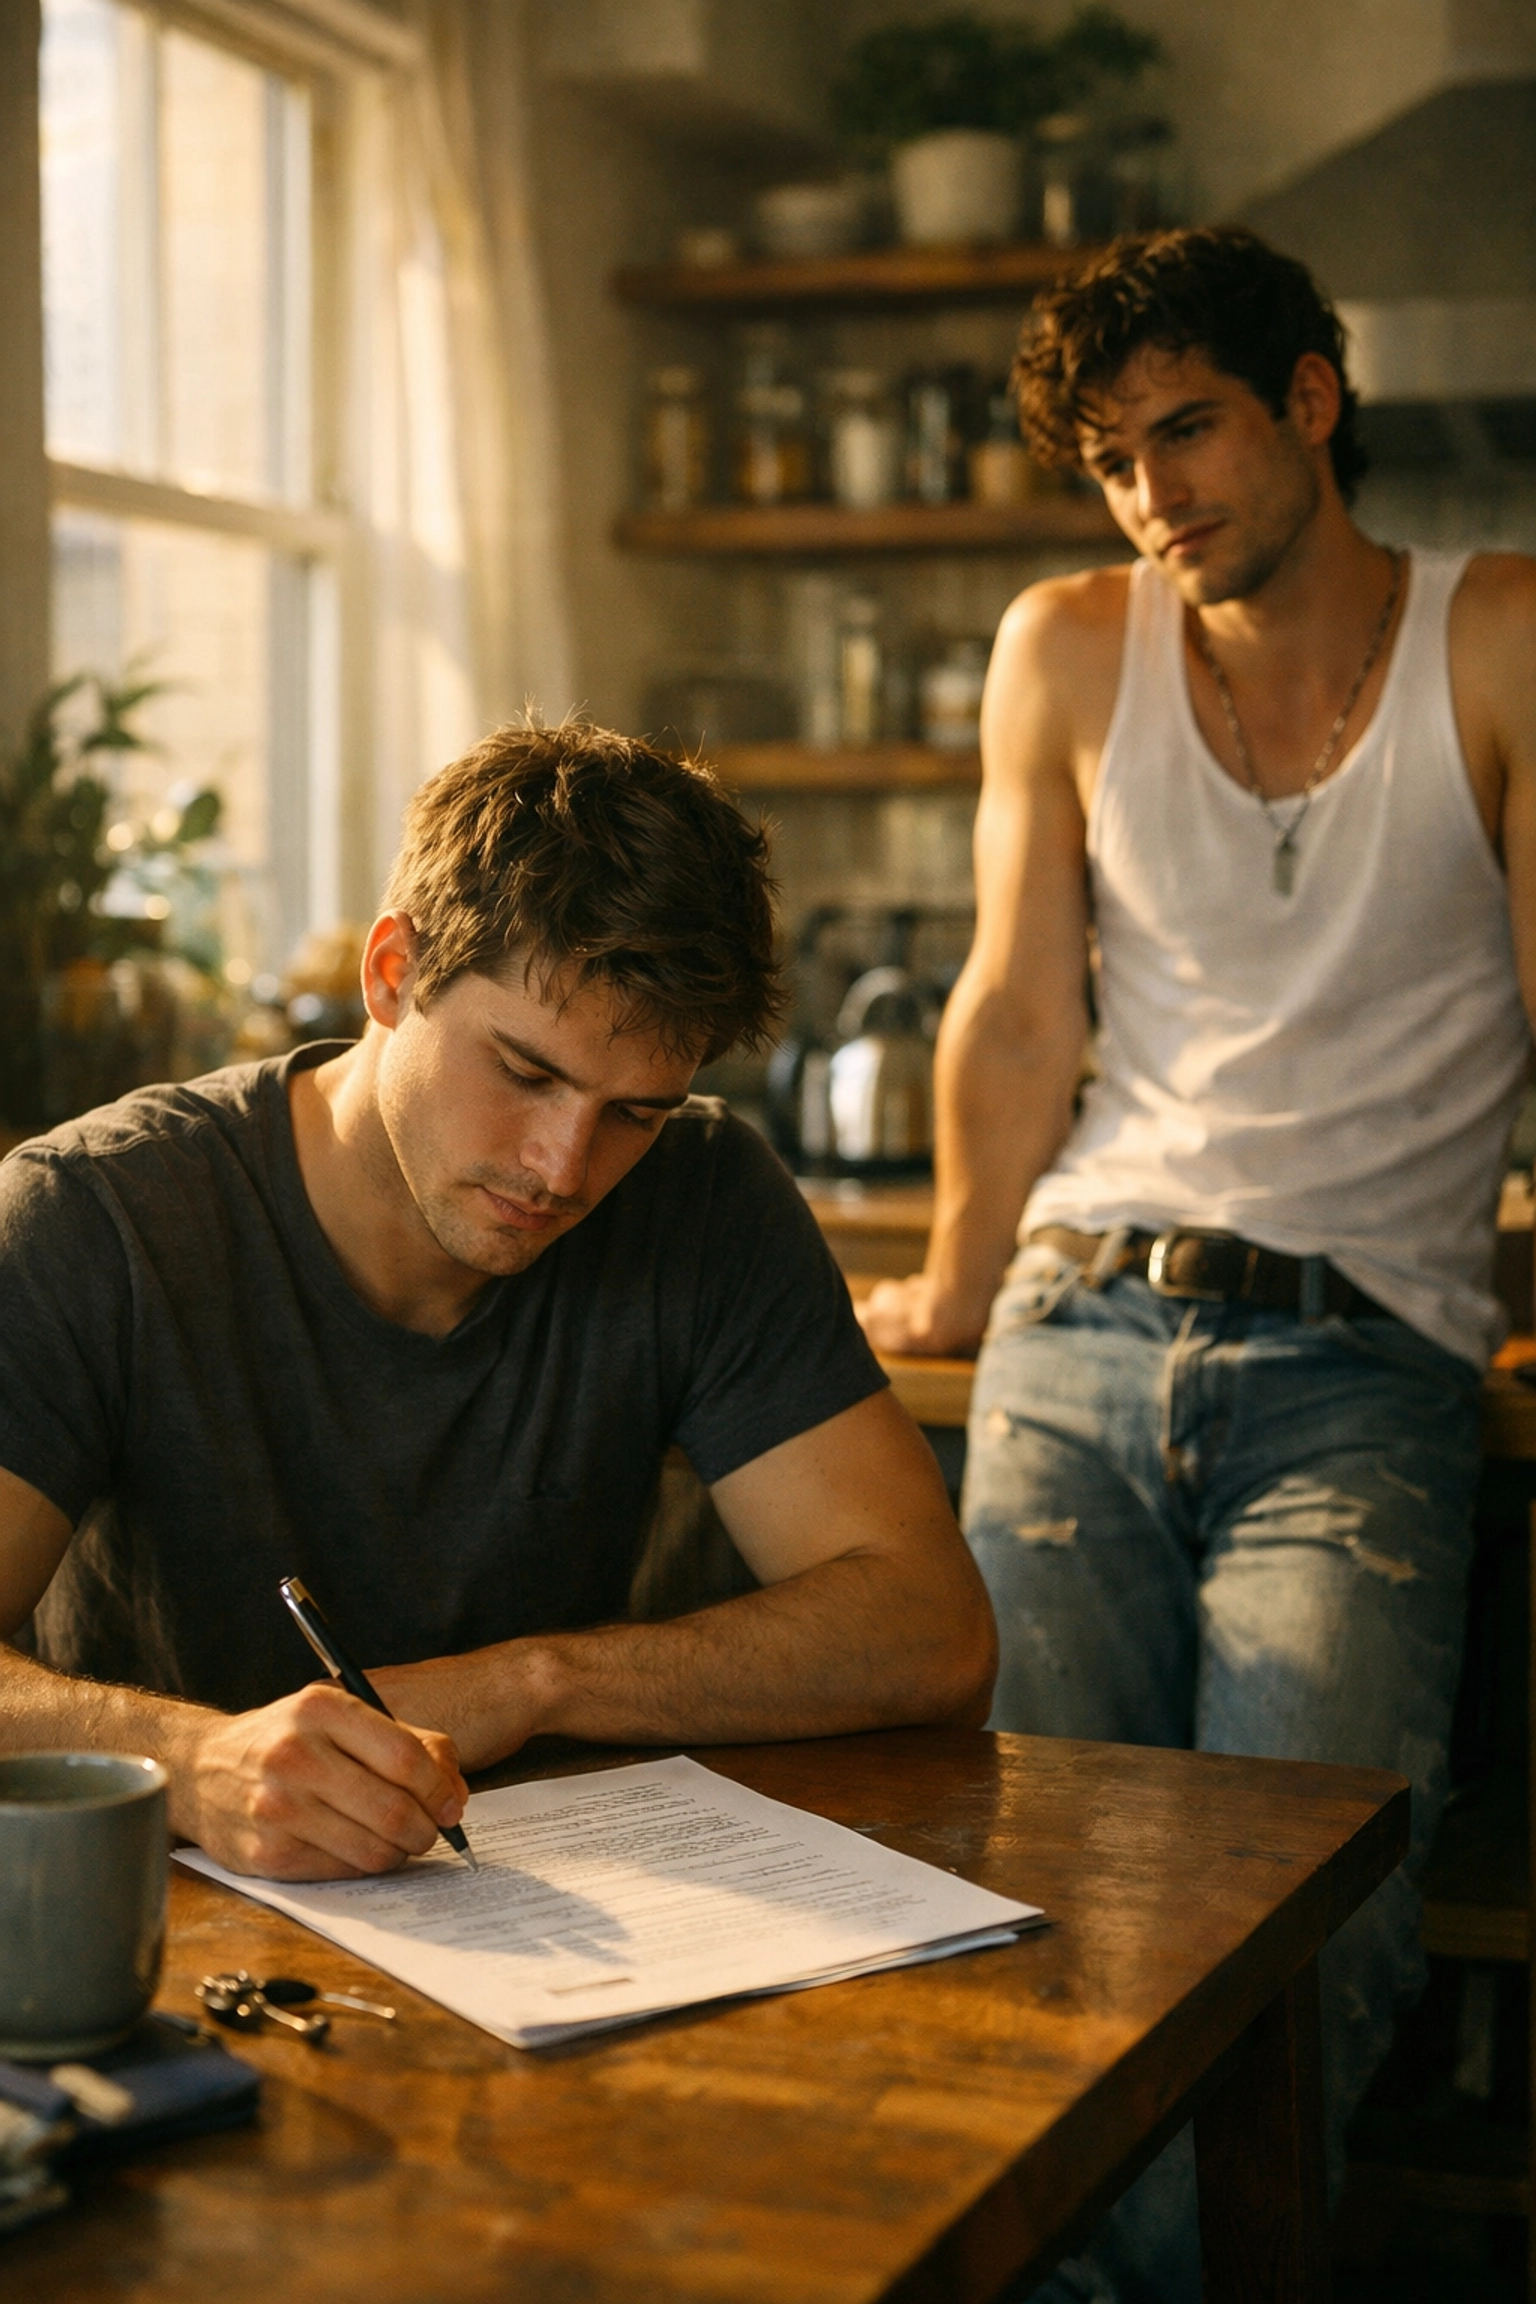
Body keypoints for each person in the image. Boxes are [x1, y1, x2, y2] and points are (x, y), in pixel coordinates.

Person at [861, 225, 1536, 2297]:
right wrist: (967, 1276)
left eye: (1188, 432)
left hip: (1367, 1360)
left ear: (1308, 405)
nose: (1154, 495)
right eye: (1112, 460)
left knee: (1316, 1903)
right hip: (1078, 1326)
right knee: (1042, 1892)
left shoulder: (1501, 635)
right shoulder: (1064, 643)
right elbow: (1015, 1003)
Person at [0, 723, 996, 1884]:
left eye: (636, 1111)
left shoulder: (704, 1193)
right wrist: (192, 1755)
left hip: (546, 1908)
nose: (563, 1168)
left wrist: (535, 1684)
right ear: (391, 973)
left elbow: (935, 1633)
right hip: (163, 1926)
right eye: (526, 1073)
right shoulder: (94, 1217)